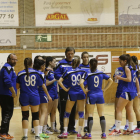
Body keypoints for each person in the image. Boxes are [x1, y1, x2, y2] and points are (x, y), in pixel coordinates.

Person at [16, 58, 52, 140]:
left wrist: (24, 85)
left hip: (24, 96)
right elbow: (42, 85)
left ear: (24, 64)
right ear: (32, 64)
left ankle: (25, 136)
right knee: (35, 116)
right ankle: (37, 136)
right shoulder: (37, 73)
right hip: (34, 96)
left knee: (25, 116)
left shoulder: (20, 74)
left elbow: (17, 87)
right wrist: (48, 95)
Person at [80, 58, 113, 139]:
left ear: (89, 65)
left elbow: (81, 83)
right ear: (97, 65)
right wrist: (104, 89)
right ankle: (104, 134)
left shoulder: (87, 73)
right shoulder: (100, 72)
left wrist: (84, 91)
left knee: (90, 114)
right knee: (101, 114)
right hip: (100, 95)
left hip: (91, 95)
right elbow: (111, 80)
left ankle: (89, 134)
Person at [109, 54, 139, 136]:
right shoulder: (133, 67)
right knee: (129, 110)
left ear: (125, 61)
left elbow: (129, 79)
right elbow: (135, 80)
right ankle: (130, 129)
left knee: (118, 109)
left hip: (127, 91)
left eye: (120, 61)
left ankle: (117, 130)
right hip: (133, 91)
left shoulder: (126, 67)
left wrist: (119, 77)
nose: (119, 63)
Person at [57, 57, 86, 139]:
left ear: (72, 63)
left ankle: (65, 132)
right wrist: (85, 91)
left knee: (67, 113)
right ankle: (79, 134)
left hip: (71, 93)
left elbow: (59, 81)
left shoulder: (68, 71)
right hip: (80, 93)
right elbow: (83, 83)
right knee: (81, 113)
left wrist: (65, 89)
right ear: (79, 64)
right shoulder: (83, 71)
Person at [54, 47, 77, 134]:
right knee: (63, 108)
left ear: (74, 54)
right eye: (68, 54)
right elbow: (56, 75)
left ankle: (72, 127)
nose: (70, 55)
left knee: (73, 108)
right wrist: (66, 76)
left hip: (73, 89)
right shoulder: (60, 64)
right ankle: (63, 127)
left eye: (71, 53)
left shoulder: (75, 63)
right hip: (63, 89)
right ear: (65, 54)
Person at [0, 53, 17, 139]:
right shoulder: (7, 68)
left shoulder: (9, 68)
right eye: (13, 59)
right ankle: (3, 133)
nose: (15, 61)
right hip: (6, 95)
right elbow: (7, 81)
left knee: (7, 113)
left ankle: (4, 132)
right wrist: (13, 92)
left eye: (16, 59)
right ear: (8, 60)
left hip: (6, 95)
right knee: (7, 114)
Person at [45, 57, 60, 133]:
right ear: (50, 62)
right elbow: (46, 83)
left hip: (55, 92)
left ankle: (53, 127)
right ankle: (44, 129)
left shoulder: (54, 71)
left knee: (54, 111)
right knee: (47, 112)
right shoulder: (47, 71)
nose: (55, 63)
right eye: (54, 61)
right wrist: (55, 79)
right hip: (49, 92)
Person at [78, 51, 90, 132]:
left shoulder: (91, 67)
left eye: (87, 57)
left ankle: (86, 125)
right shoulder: (79, 67)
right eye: (84, 57)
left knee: (87, 108)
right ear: (82, 58)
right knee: (79, 108)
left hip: (88, 89)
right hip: (80, 89)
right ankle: (76, 125)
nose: (86, 58)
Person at [131, 56, 140, 134]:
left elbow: (136, 81)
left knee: (136, 109)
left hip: (136, 91)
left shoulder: (134, 69)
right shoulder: (137, 68)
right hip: (137, 90)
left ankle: (139, 127)